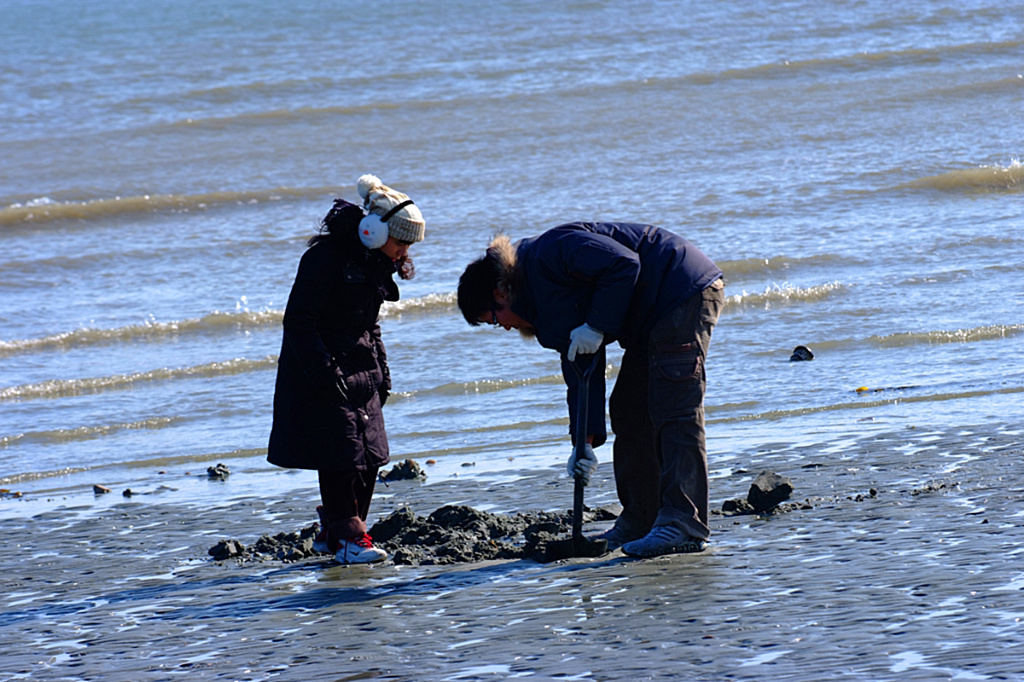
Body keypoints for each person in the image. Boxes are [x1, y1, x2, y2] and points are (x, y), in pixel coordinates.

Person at [457, 222, 723, 558]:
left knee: (674, 409)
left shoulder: (551, 252)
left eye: (495, 320)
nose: (506, 327)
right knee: (628, 409)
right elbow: (581, 370)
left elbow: (624, 264)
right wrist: (582, 443)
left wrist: (597, 325)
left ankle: (684, 523)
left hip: (681, 289)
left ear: (500, 293)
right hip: (649, 319)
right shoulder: (539, 308)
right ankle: (642, 518)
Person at [268, 174, 425, 564]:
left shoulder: (375, 263)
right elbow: (300, 321)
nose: (403, 252)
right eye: (401, 241)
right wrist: (323, 372)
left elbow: (371, 325)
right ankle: (351, 540)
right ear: (373, 230)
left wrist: (383, 371)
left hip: (362, 370)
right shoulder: (323, 259)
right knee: (340, 456)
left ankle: (338, 536)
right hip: (320, 371)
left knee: (371, 455)